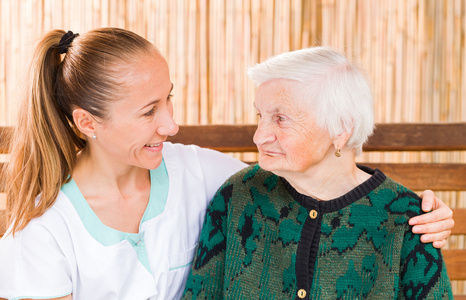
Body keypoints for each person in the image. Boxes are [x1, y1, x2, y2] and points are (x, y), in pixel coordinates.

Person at [0, 29, 452, 300]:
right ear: (86, 122)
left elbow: (320, 175)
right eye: (148, 112)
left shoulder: (208, 177)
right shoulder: (40, 228)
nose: (172, 125)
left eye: (168, 99)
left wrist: (421, 210)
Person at [182, 47, 453, 299]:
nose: (259, 136)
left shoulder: (408, 220)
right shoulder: (238, 195)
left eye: (281, 118)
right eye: (260, 116)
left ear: (341, 129)